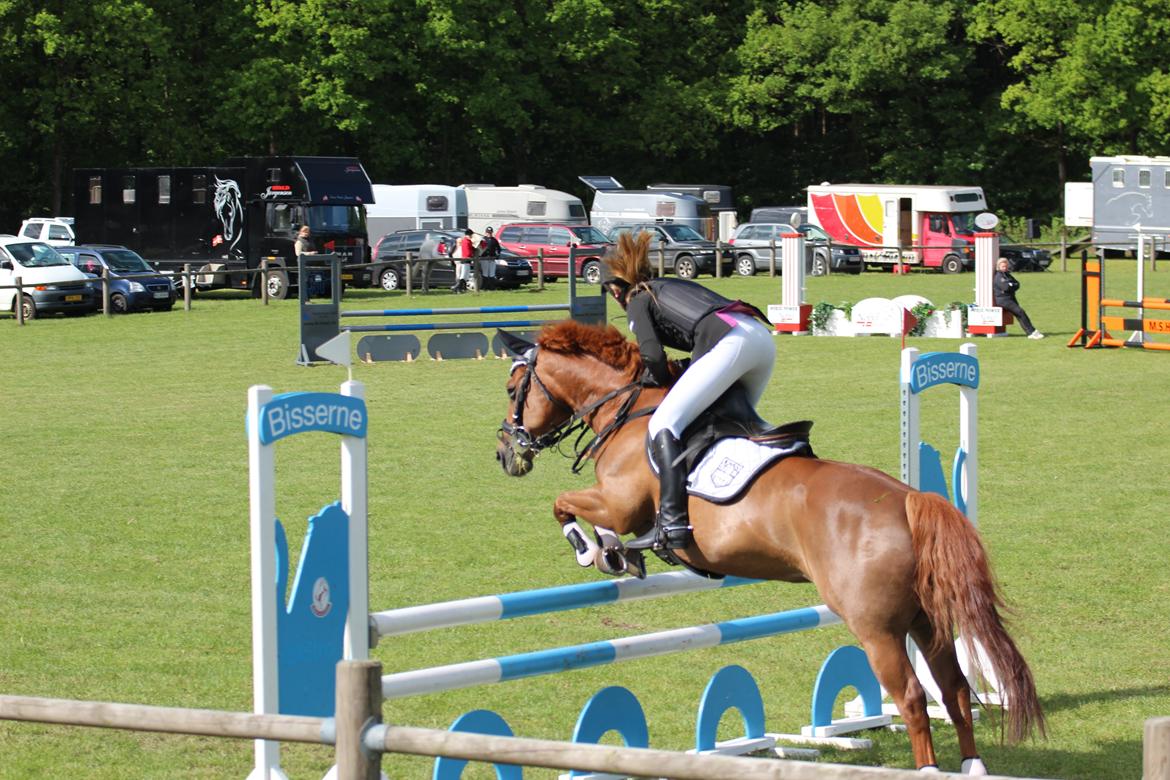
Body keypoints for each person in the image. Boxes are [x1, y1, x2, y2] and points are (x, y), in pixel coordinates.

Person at [602, 231, 775, 550]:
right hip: (759, 340)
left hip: (730, 342)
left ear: (615, 290)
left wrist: (652, 382)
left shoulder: (638, 299)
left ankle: (672, 522)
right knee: (732, 422)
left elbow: (652, 358)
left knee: (663, 423)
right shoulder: (664, 285)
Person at [994, 257, 1044, 339]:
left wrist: (1012, 285)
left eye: (1006, 266)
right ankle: (1032, 332)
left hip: (1010, 297)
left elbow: (1017, 284)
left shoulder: (1007, 274)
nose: (1005, 268)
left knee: (1019, 314)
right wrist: (1011, 285)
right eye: (1003, 266)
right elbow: (1006, 287)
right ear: (998, 267)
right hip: (1003, 300)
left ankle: (1030, 333)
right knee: (1021, 312)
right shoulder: (999, 276)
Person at [451, 229, 475, 293]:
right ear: (469, 235)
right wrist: (472, 255)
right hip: (466, 259)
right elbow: (468, 252)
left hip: (466, 260)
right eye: (471, 235)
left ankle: (460, 289)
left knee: (465, 276)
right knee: (463, 276)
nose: (471, 236)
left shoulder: (465, 240)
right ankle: (456, 287)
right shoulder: (467, 241)